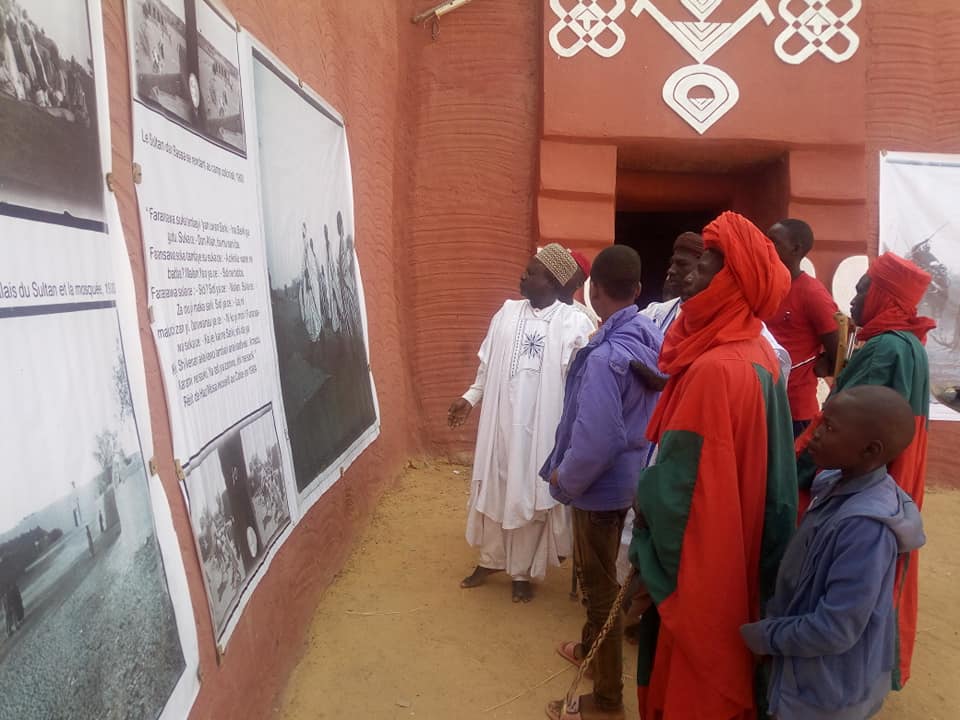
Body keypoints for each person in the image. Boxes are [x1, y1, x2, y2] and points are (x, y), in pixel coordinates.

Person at [628, 211, 798, 720]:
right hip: (737, 544)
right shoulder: (752, 354)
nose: (690, 276)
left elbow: (681, 496)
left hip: (705, 562)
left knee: (687, 675)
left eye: (704, 267)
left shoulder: (715, 369)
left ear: (729, 281)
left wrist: (644, 506)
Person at [741, 386, 925, 720]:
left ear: (870, 450)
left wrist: (762, 637)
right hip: (802, 670)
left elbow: (835, 629)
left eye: (829, 427)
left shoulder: (865, 527)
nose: (815, 432)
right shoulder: (830, 483)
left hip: (823, 693)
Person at [797, 251, 934, 689]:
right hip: (892, 479)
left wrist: (795, 470)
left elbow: (840, 422)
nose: (852, 299)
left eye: (863, 289)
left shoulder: (884, 348)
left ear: (884, 296)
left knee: (840, 575)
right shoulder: (908, 343)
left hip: (866, 482)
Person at [540, 246, 663, 720]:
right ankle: (588, 654)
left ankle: (607, 699)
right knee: (606, 578)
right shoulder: (648, 333)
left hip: (596, 489)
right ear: (636, 291)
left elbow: (596, 440)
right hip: (631, 479)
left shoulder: (604, 357)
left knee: (599, 591)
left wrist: (564, 479)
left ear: (591, 290)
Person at [448, 244, 595, 603]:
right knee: (496, 485)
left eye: (531, 272)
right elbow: (487, 364)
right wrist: (470, 397)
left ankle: (522, 572)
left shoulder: (573, 322)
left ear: (552, 280)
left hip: (542, 429)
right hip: (499, 422)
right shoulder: (507, 312)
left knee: (529, 491)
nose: (523, 276)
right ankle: (490, 559)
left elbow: (581, 383)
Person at [765, 219, 840, 437]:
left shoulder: (812, 293)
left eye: (774, 242)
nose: (766, 246)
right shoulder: (765, 287)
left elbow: (838, 353)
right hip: (759, 402)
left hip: (794, 410)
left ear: (796, 249)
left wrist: (821, 365)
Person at [560, 249, 599, 327]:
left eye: (568, 270)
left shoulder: (587, 317)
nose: (561, 272)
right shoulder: (535, 303)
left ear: (579, 283)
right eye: (561, 267)